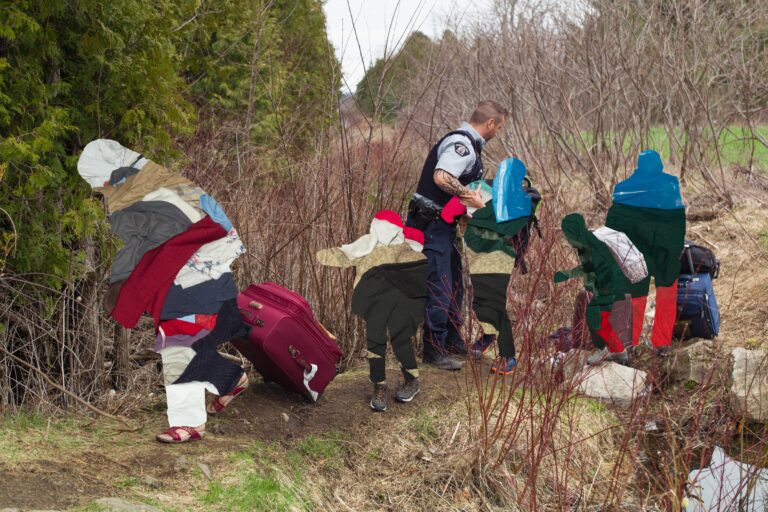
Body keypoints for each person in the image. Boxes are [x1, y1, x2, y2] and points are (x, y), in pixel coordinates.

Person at [406, 100, 508, 370]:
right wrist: (469, 196)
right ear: (490, 124)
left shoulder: (470, 147)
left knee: (454, 286)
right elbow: (441, 177)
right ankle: (434, 349)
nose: (498, 132)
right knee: (439, 286)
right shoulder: (462, 145)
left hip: (444, 226)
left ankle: (451, 340)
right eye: (499, 127)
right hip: (430, 227)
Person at [317, 211, 427, 412]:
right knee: (375, 342)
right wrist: (321, 253)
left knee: (400, 340)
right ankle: (380, 386)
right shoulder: (366, 246)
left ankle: (412, 381)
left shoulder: (404, 247)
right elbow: (343, 255)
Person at [604, 150, 686, 357]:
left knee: (634, 294)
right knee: (667, 290)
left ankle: (628, 343)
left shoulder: (623, 189)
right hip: (665, 247)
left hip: (634, 249)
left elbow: (612, 226)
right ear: (659, 166)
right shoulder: (671, 185)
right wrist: (673, 248)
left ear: (638, 167)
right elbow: (678, 220)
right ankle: (661, 343)